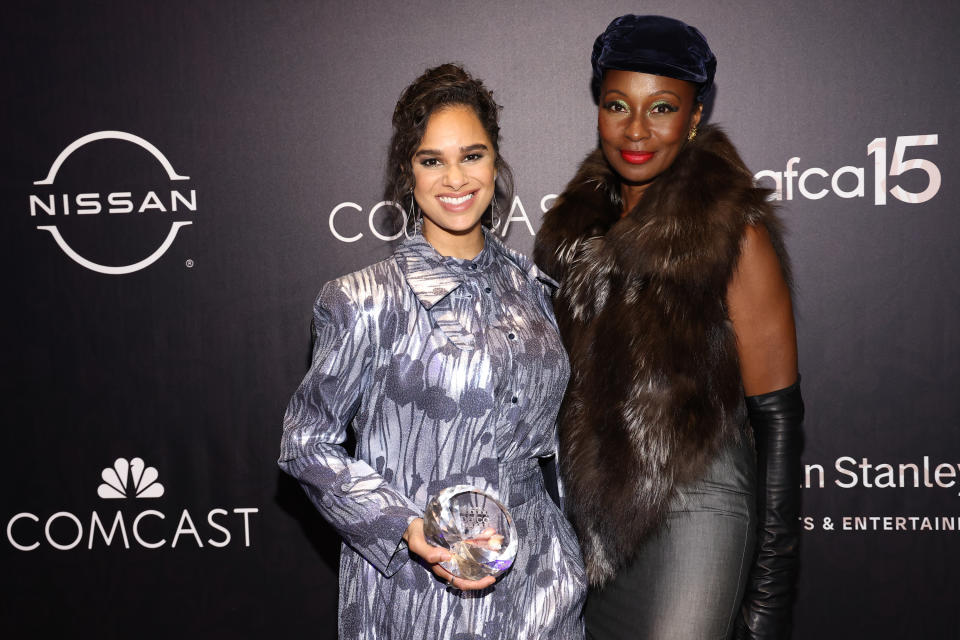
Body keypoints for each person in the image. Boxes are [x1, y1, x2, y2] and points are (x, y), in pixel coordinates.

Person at [279, 63, 586, 639]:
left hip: (543, 588)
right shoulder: (363, 300)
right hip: (422, 597)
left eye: (472, 155)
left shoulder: (535, 291)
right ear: (408, 173)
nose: (455, 178)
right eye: (432, 160)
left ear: (496, 161)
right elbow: (305, 442)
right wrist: (404, 525)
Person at [534, 15, 803, 640]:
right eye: (616, 105)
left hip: (699, 511)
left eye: (661, 107)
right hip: (592, 526)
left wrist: (770, 592)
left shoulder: (732, 231)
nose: (635, 130)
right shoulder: (572, 234)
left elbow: (779, 417)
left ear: (695, 115)